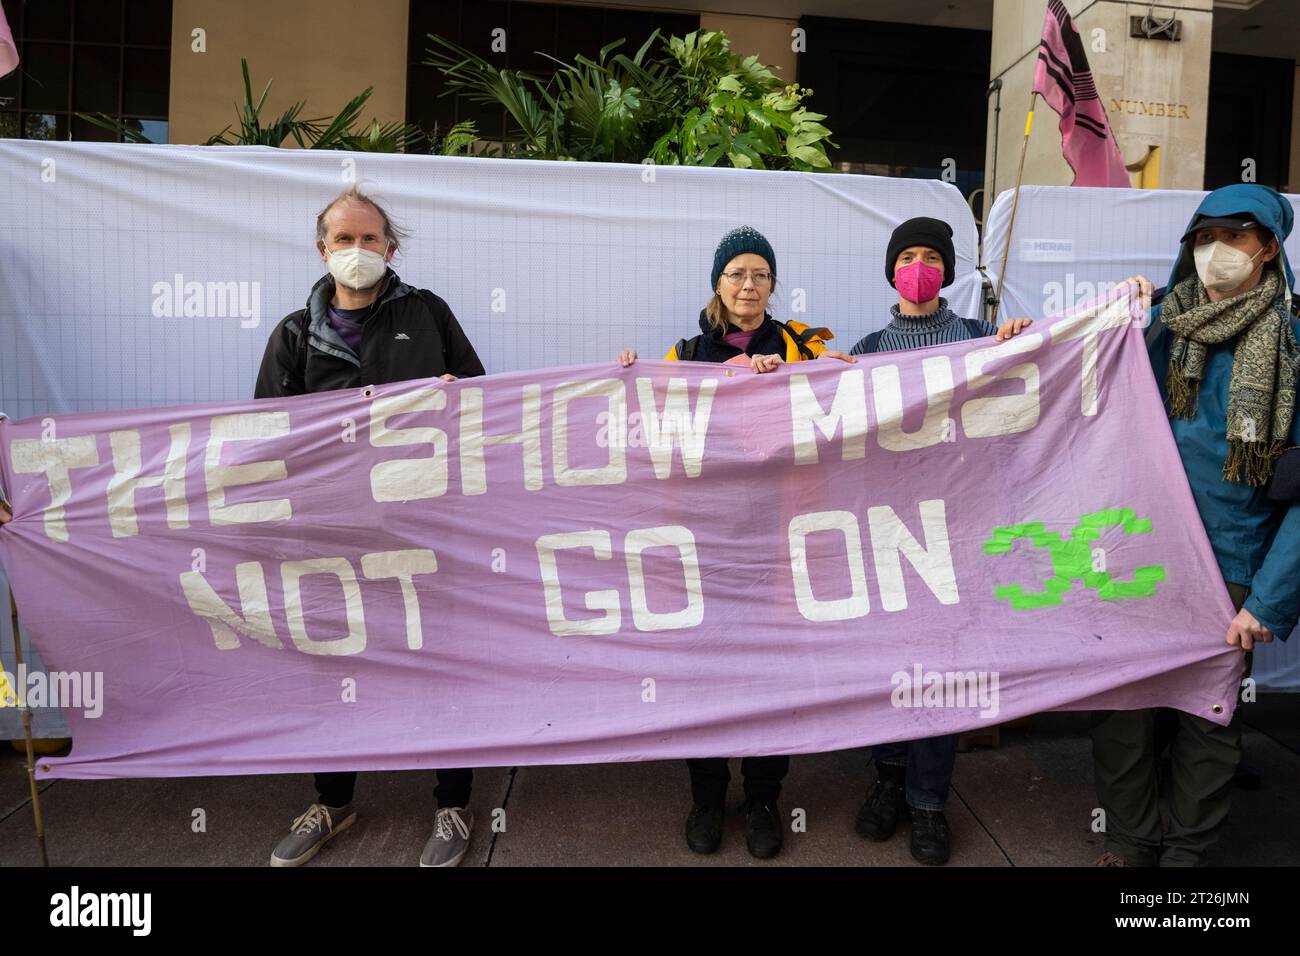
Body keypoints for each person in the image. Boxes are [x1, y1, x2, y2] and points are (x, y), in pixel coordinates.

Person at [254, 186, 487, 868]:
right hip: (332, 534)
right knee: (334, 665)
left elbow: (481, 399)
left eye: (369, 240)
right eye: (343, 240)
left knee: (438, 663)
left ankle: (451, 805)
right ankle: (333, 800)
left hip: (425, 528)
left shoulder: (427, 312)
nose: (356, 252)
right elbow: (268, 435)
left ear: (391, 248)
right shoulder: (295, 334)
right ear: (321, 249)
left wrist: (453, 394)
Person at [618, 225, 851, 859]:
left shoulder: (806, 347)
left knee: (773, 669)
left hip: (782, 536)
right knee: (704, 667)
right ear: (717, 283)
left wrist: (805, 376)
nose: (748, 285)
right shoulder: (683, 353)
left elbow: (844, 404)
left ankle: (765, 796)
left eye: (760, 275)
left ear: (773, 286)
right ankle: (706, 794)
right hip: (705, 539)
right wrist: (626, 381)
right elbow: (649, 435)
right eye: (736, 274)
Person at [1092, 183, 1300, 866]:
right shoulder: (1158, 324)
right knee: (1125, 711)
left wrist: (1269, 600)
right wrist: (1104, 318)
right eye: (1204, 237)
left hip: (1233, 567)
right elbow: (1075, 387)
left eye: (1235, 237)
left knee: (1205, 719)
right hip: (1142, 555)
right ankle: (1129, 846)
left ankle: (1185, 861)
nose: (1217, 252)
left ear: (1268, 248)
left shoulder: (1294, 346)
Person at [845, 216, 1029, 865]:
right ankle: (887, 783)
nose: (918, 266)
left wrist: (1015, 342)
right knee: (890, 669)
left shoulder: (978, 337)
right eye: (908, 256)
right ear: (892, 269)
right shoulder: (864, 348)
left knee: (942, 674)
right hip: (888, 536)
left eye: (930, 256)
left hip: (957, 537)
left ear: (946, 271)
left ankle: (928, 803)